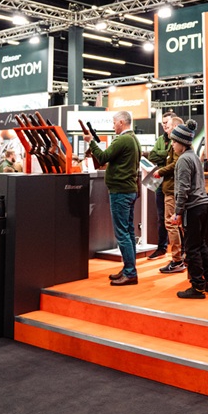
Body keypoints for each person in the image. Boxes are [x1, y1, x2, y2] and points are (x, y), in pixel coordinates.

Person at [84, 111, 142, 286]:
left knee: (122, 233)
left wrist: (91, 142)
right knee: (128, 232)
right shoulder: (134, 139)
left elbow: (102, 158)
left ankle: (130, 272)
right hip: (128, 190)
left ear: (121, 122)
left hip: (120, 191)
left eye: (114, 122)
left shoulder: (122, 140)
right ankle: (129, 269)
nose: (113, 126)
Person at [167, 121, 208, 299]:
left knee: (191, 248)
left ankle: (197, 287)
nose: (172, 145)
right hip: (204, 204)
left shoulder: (183, 160)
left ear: (182, 143)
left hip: (193, 207)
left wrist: (178, 212)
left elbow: (183, 189)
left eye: (174, 142)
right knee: (200, 243)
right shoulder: (194, 157)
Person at [149, 114, 186, 272]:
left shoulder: (178, 147)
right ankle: (181, 257)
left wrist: (161, 170)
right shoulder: (173, 145)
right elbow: (153, 155)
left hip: (172, 189)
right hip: (170, 188)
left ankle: (177, 260)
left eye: (168, 125)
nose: (166, 128)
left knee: (172, 224)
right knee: (176, 224)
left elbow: (174, 163)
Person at [146, 112, 174, 262]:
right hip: (159, 183)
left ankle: (179, 253)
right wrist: (166, 155)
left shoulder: (177, 139)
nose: (164, 125)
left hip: (172, 183)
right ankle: (161, 248)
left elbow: (173, 159)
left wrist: (163, 156)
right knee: (161, 217)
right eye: (163, 123)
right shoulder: (160, 139)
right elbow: (152, 156)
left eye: (166, 123)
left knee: (174, 219)